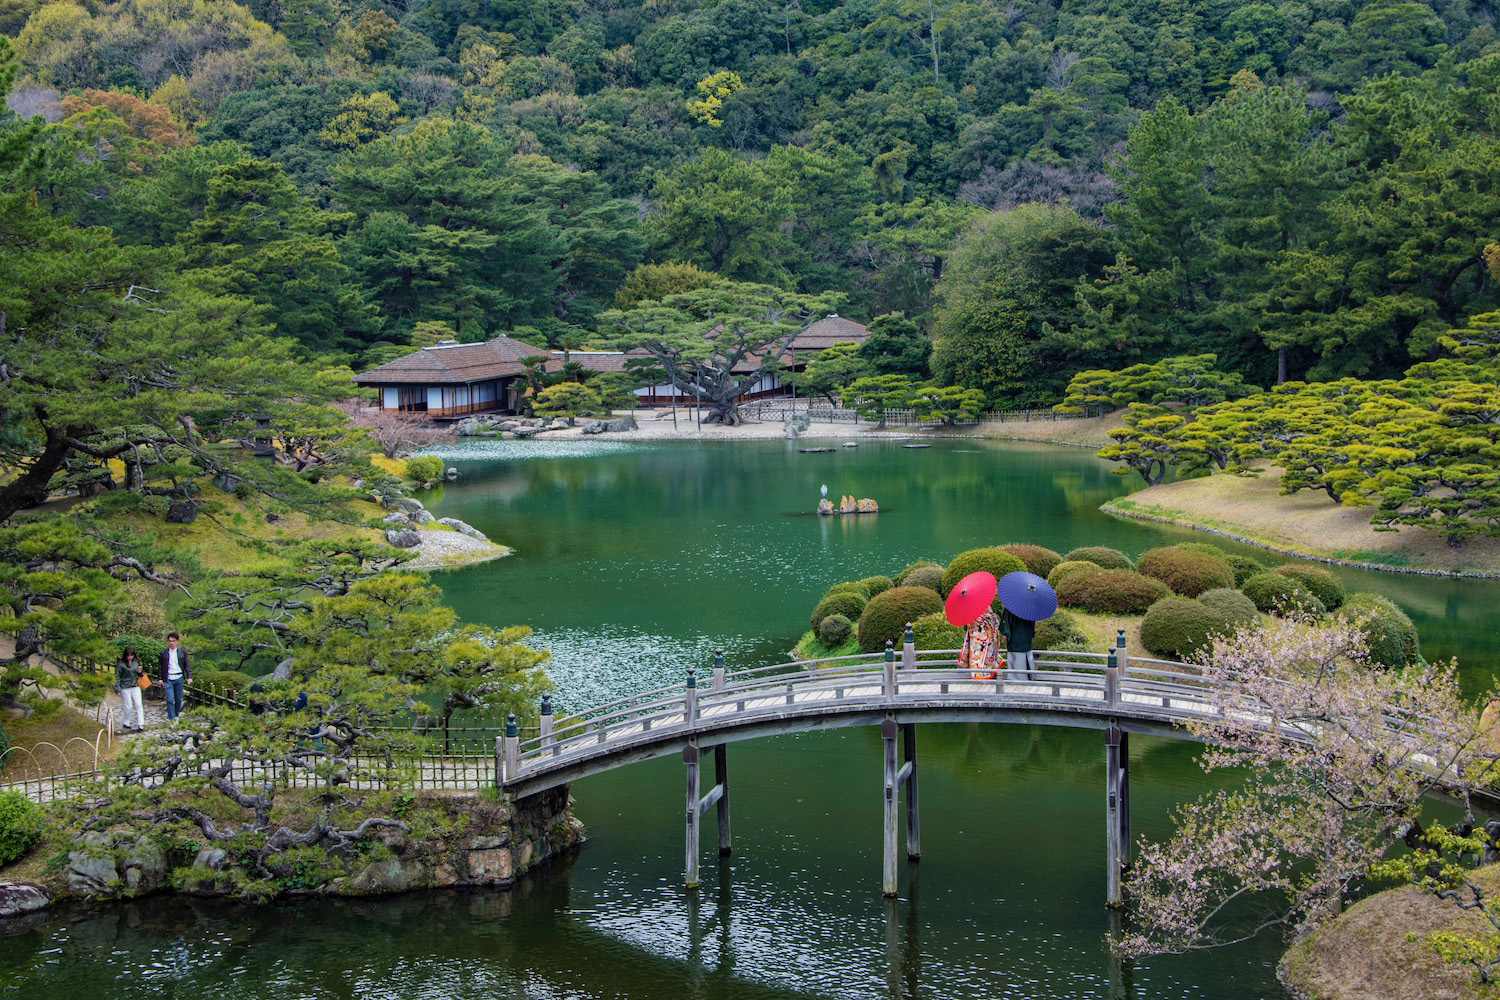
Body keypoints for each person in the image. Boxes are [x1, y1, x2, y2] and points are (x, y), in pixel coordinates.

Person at [157, 631, 193, 721]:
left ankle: (176, 715)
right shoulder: (164, 653)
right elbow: (160, 666)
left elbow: (186, 665)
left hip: (178, 677)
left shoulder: (182, 652)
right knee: (169, 699)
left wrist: (189, 676)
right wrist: (160, 678)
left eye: (173, 641)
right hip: (168, 678)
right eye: (170, 641)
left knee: (178, 699)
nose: (171, 643)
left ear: (177, 641)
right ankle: (171, 717)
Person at [958, 607, 1002, 680]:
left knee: (975, 657)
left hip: (974, 638)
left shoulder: (967, 611)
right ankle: (984, 673)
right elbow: (994, 623)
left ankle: (975, 674)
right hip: (985, 638)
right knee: (983, 658)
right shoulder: (985, 607)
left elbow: (966, 626)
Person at [114, 646, 146, 732]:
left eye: (131, 655)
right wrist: (117, 689)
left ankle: (141, 723)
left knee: (139, 704)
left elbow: (140, 675)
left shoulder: (136, 662)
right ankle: (126, 722)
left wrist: (140, 672)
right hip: (125, 687)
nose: (130, 657)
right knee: (128, 706)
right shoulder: (121, 665)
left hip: (135, 686)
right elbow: (117, 677)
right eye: (128, 655)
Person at [1001, 607, 1037, 679]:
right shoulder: (1030, 608)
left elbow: (1005, 626)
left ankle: (1016, 678)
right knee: (1027, 657)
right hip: (1027, 637)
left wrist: (1006, 634)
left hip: (1015, 638)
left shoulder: (1010, 608)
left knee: (1015, 659)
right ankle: (1030, 676)